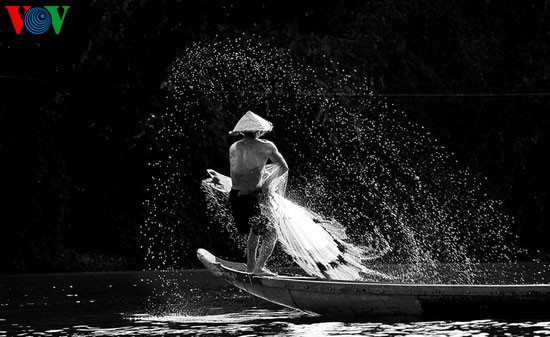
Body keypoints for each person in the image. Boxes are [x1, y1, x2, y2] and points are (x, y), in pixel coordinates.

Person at [228, 111, 289, 276]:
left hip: (235, 196)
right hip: (250, 197)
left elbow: (240, 172)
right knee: (271, 232)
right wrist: (267, 184)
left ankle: (250, 267)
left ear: (241, 131)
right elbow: (284, 168)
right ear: (259, 130)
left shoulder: (234, 147)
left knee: (255, 231)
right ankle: (259, 268)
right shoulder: (267, 146)